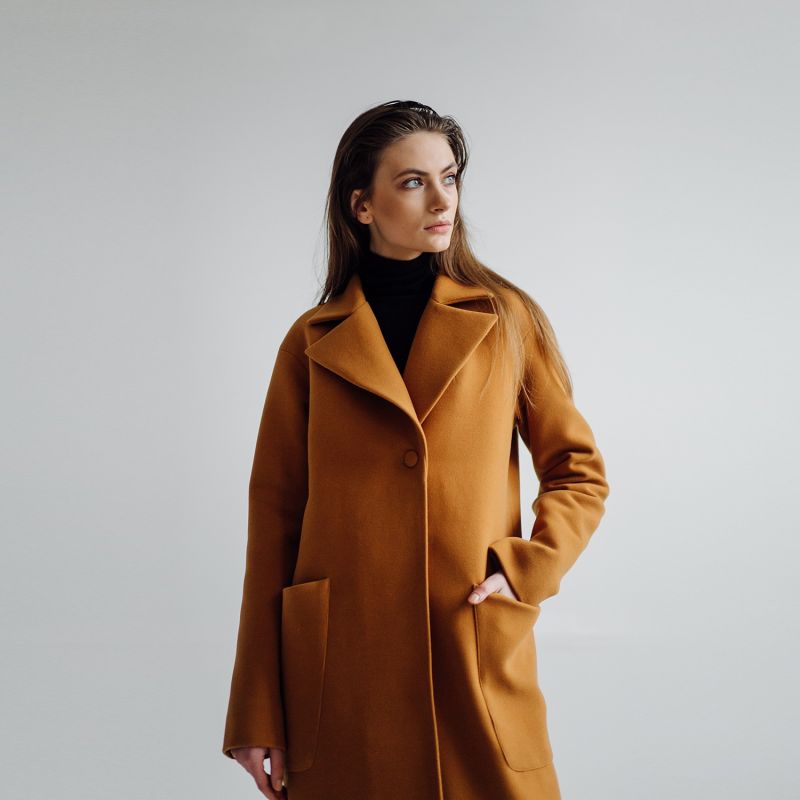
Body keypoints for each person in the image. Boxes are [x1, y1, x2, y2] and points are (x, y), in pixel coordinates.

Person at [221, 100, 610, 800]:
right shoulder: (311, 343)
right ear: (362, 206)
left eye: (449, 177)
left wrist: (525, 570)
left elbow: (577, 472)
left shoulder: (505, 319)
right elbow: (273, 523)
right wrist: (256, 708)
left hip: (471, 649)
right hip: (344, 679)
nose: (441, 200)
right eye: (412, 182)